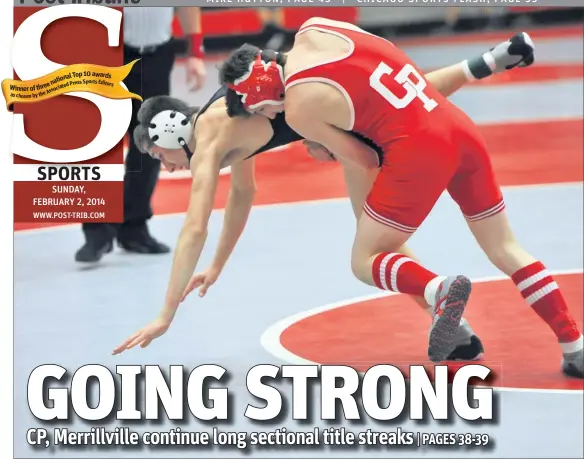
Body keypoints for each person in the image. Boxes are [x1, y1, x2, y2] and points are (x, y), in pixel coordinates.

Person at [111, 33, 536, 363]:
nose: (164, 167)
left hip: (333, 121)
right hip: (330, 107)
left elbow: (194, 226)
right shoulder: (224, 118)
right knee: (416, 99)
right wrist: (217, 266)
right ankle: (486, 62)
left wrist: (166, 313)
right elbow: (243, 194)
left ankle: (452, 322)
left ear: (168, 130)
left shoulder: (209, 140)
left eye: (156, 155)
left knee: (376, 247)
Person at [216, 18, 583, 377]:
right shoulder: (319, 26)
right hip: (457, 126)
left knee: (366, 259)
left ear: (259, 88)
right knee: (506, 247)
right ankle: (574, 344)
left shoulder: (298, 107)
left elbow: (366, 158)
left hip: (419, 153)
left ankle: (437, 288)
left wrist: (327, 144)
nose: (273, 113)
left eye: (263, 108)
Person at [75, 7, 207, 263]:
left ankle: (134, 225)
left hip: (157, 55)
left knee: (152, 140)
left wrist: (196, 52)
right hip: (109, 54)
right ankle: (96, 229)